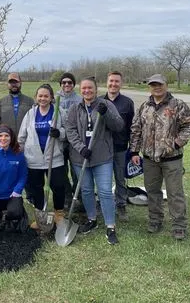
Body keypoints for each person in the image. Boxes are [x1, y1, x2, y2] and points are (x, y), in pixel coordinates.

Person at [130, 74, 190, 240]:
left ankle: (179, 225)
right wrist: (134, 151)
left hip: (172, 159)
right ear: (149, 87)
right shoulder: (145, 106)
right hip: (149, 159)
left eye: (159, 84)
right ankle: (155, 220)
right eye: (153, 85)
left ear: (166, 85)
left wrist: (175, 144)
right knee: (152, 191)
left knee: (175, 193)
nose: (156, 87)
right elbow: (136, 129)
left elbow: (189, 127)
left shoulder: (177, 105)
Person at [65, 77, 124, 245]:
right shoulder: (74, 108)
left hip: (102, 157)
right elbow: (70, 130)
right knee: (86, 190)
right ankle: (92, 219)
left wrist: (106, 114)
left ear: (96, 89)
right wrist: (80, 147)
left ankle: (110, 226)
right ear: (80, 90)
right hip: (80, 157)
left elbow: (118, 125)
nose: (87, 91)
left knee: (105, 191)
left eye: (90, 88)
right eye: (83, 88)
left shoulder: (106, 105)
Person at [18, 84, 67, 228]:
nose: (43, 98)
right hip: (34, 159)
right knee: (36, 188)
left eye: (46, 96)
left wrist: (60, 133)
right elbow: (22, 135)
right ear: (36, 97)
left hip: (54, 158)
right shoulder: (30, 114)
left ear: (51, 97)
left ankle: (59, 214)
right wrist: (18, 151)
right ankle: (41, 216)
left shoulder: (59, 112)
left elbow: (68, 132)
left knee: (58, 186)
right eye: (40, 96)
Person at [103, 71, 135, 221]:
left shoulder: (127, 103)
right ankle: (104, 203)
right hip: (102, 148)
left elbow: (132, 127)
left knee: (120, 178)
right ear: (106, 82)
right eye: (111, 81)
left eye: (116, 81)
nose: (113, 84)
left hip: (120, 147)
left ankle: (121, 205)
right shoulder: (99, 101)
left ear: (121, 83)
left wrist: (133, 149)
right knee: (104, 178)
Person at [57, 72, 82, 207]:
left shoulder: (79, 99)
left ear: (73, 84)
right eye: (64, 82)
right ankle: (66, 195)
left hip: (75, 141)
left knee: (76, 170)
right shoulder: (55, 98)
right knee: (61, 171)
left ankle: (78, 196)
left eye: (70, 82)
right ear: (60, 84)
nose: (67, 84)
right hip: (59, 141)